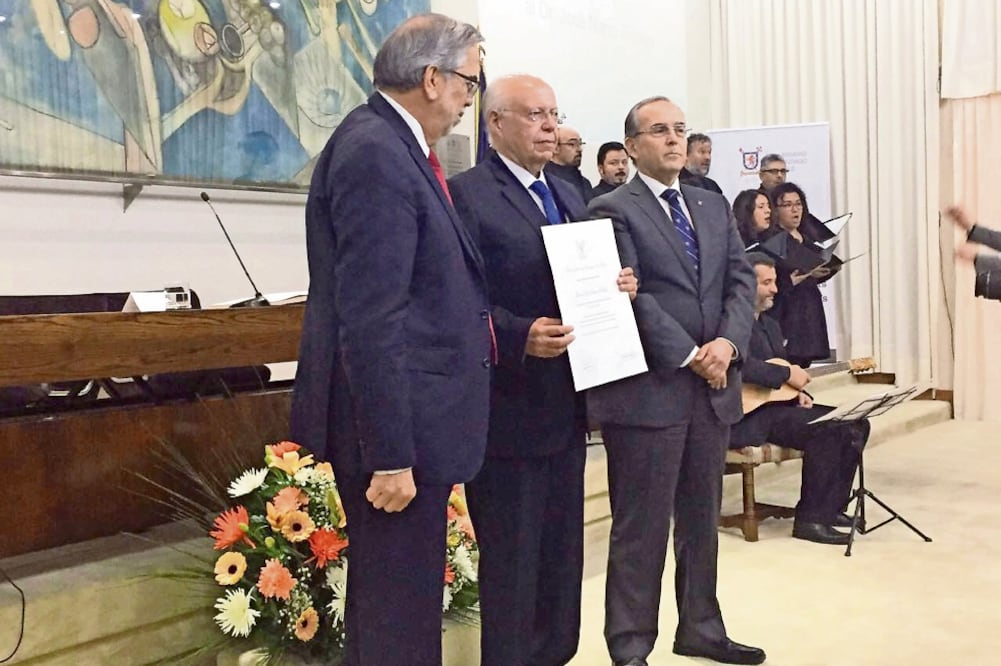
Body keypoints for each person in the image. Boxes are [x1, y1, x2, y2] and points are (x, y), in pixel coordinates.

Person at [289, 14, 492, 666]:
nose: (469, 98)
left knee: (396, 612)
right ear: (432, 79)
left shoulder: (391, 146)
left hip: (412, 423)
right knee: (395, 621)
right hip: (392, 436)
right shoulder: (376, 152)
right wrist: (391, 453)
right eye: (469, 82)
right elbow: (371, 316)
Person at [449, 74, 638, 666]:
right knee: (514, 559)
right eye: (535, 115)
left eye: (554, 114)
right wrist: (515, 334)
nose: (550, 126)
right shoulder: (466, 194)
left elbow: (581, 274)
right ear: (496, 123)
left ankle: (555, 654)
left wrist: (616, 287)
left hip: (568, 401)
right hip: (508, 408)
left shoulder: (569, 192)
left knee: (563, 555)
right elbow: (457, 299)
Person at [587, 95, 764, 666]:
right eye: (659, 131)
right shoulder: (610, 209)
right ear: (633, 145)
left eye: (680, 130)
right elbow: (628, 299)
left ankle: (701, 628)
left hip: (713, 390)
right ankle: (631, 647)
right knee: (640, 530)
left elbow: (740, 281)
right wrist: (691, 353)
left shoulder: (710, 206)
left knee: (700, 520)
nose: (673, 140)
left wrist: (728, 345)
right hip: (649, 394)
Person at [733, 253, 868, 545]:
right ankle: (810, 519)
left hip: (775, 408)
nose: (775, 289)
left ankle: (831, 508)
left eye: (774, 282)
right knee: (826, 428)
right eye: (766, 283)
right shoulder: (732, 324)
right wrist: (784, 377)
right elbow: (741, 365)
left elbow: (785, 371)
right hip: (748, 416)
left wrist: (799, 392)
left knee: (856, 422)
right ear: (745, 285)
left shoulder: (769, 325)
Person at [765, 182, 832, 367]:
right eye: (787, 205)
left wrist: (826, 270)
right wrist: (790, 279)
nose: (795, 210)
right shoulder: (771, 239)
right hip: (785, 311)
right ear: (775, 210)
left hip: (809, 307)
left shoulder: (807, 236)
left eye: (798, 204)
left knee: (805, 367)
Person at [548, 125, 594, 202]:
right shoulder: (546, 180)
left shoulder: (585, 183)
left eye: (580, 144)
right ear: (555, 148)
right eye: (572, 144)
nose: (579, 149)